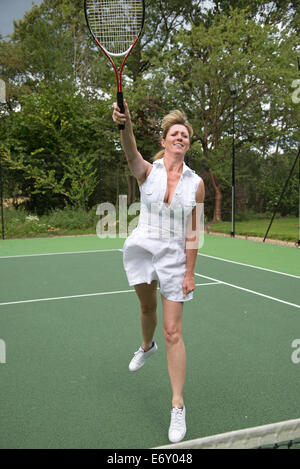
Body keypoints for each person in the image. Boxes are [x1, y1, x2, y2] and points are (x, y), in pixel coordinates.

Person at [112, 100, 205, 444]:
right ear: (164, 141)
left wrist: (190, 272)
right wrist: (126, 124)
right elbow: (129, 149)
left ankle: (177, 406)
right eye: (174, 134)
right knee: (146, 308)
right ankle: (145, 346)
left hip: (174, 254)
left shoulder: (196, 184)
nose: (180, 137)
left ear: (187, 144)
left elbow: (194, 231)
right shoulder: (147, 171)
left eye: (185, 135)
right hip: (143, 245)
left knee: (173, 333)